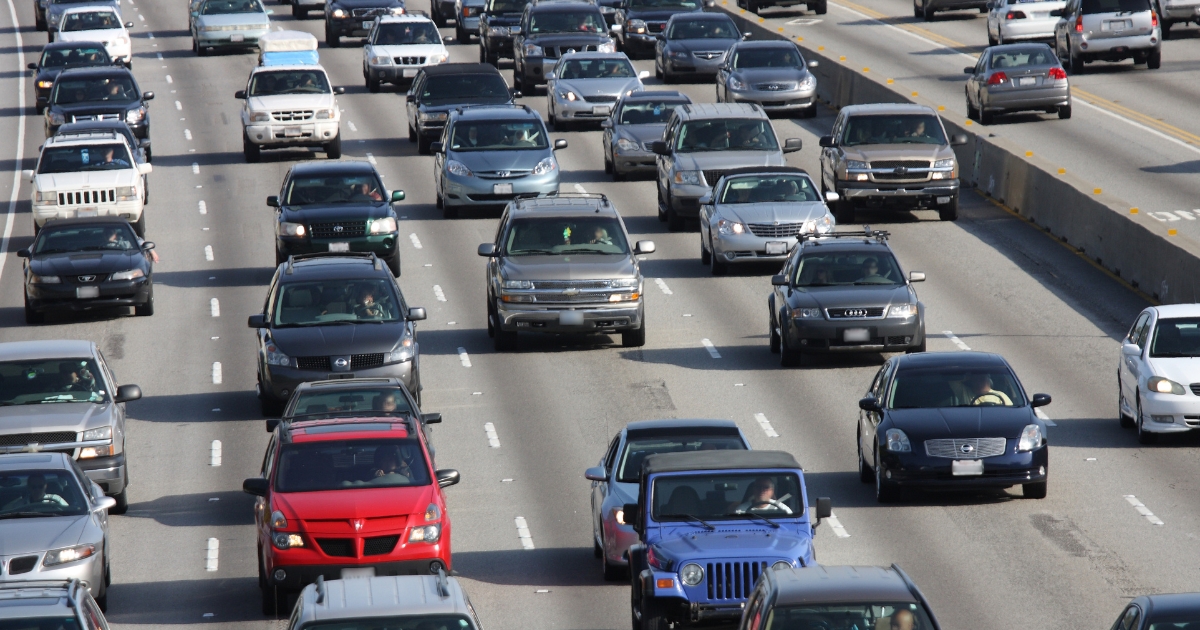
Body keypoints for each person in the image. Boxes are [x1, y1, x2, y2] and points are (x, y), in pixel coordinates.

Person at [2, 474, 69, 510]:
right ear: (29, 487)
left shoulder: (56, 500)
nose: (37, 490)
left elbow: (68, 512)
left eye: (40, 486)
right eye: (33, 487)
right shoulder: (19, 505)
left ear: (45, 486)